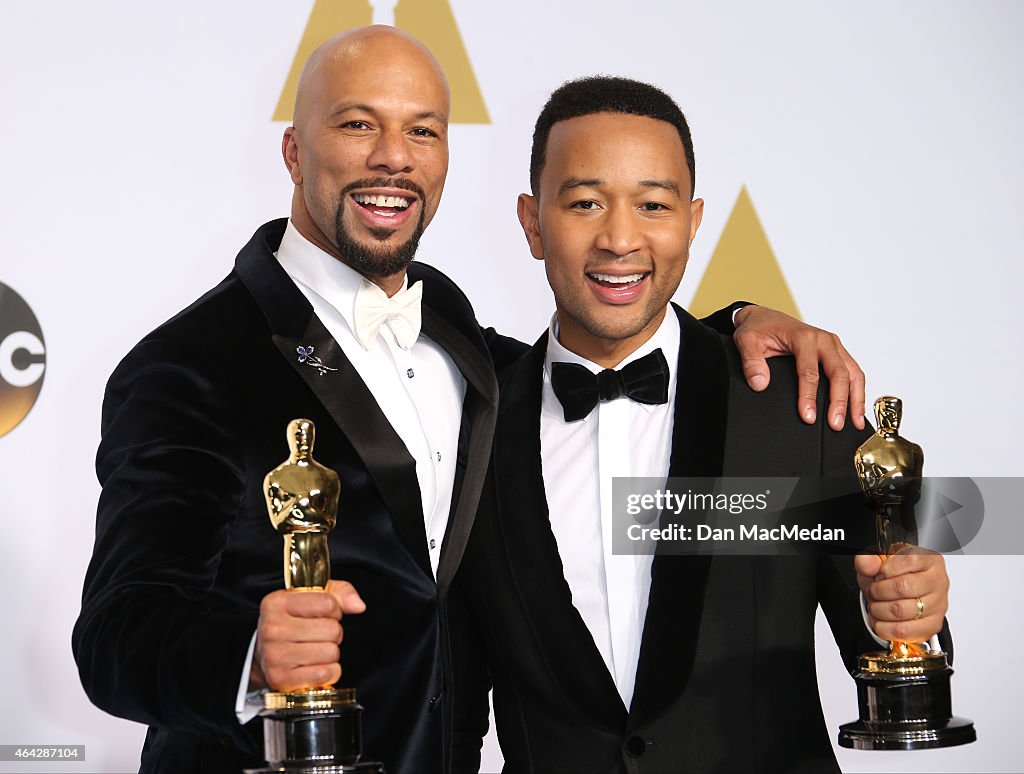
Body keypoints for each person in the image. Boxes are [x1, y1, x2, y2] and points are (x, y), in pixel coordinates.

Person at [73, 28, 870, 774]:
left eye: (422, 131)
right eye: (357, 124)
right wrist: (248, 657)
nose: (394, 158)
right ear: (292, 149)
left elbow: (622, 334)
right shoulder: (187, 365)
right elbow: (117, 635)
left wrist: (735, 325)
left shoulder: (468, 349)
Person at [449, 76, 952, 773]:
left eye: (653, 204)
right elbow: (452, 707)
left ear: (692, 221)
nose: (620, 238)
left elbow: (884, 641)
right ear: (533, 223)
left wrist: (906, 620)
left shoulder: (799, 406)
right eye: (586, 202)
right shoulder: (469, 427)